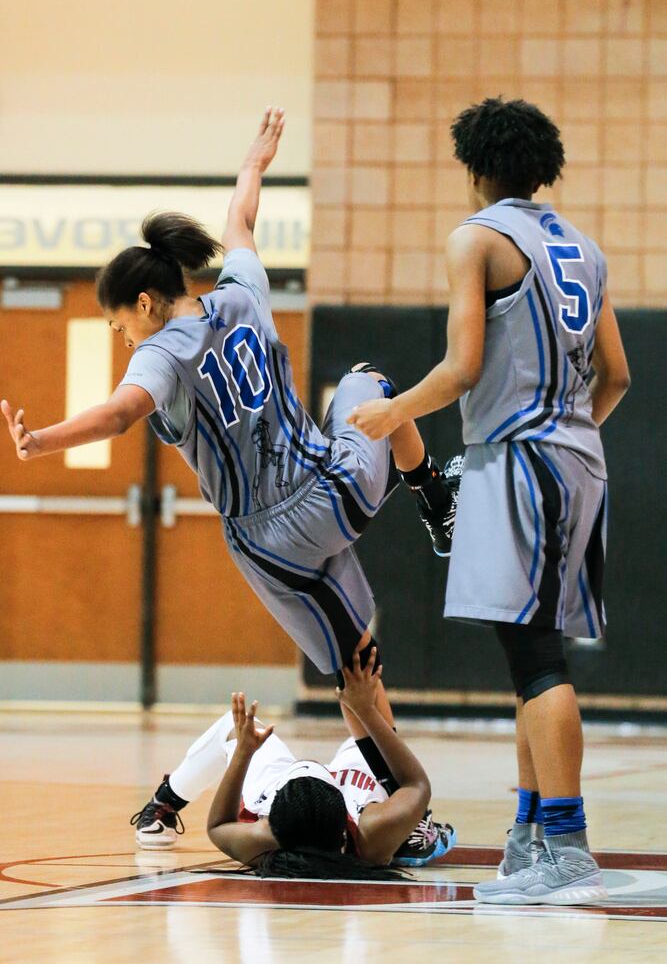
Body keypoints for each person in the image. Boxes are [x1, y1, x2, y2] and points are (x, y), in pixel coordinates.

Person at [2, 107, 456, 863]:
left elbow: (119, 416)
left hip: (275, 537)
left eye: (120, 327)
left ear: (144, 305)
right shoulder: (240, 291)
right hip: (336, 483)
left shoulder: (162, 354)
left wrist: (40, 440)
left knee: (355, 675)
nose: (124, 340)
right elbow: (240, 223)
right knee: (371, 385)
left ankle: (408, 819)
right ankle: (434, 501)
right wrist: (253, 164)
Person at [348, 97, 630, 905]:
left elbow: (461, 367)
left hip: (520, 461)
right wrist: (564, 431)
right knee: (526, 652)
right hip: (580, 460)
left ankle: (566, 847)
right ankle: (530, 836)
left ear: (474, 168)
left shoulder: (474, 238)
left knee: (538, 658)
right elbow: (616, 376)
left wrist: (391, 412)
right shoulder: (583, 246)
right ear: (542, 165)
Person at [133, 648, 454, 877]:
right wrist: (364, 709)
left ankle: (165, 801)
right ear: (345, 825)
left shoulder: (262, 838)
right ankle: (412, 831)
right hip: (335, 809)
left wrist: (243, 755)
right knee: (377, 753)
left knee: (235, 726)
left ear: (271, 825)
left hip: (281, 796)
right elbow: (417, 784)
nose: (312, 763)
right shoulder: (373, 832)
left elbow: (217, 826)